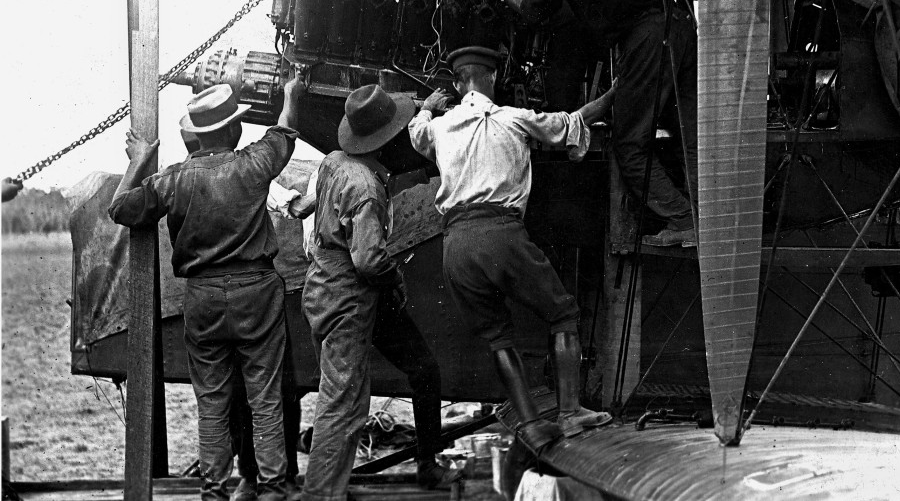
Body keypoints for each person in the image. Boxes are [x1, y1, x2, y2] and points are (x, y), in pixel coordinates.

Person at [408, 46, 615, 454]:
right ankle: (570, 413)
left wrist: (427, 107)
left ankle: (533, 425)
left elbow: (417, 132)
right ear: (494, 80)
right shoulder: (514, 118)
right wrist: (612, 96)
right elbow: (572, 122)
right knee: (562, 313)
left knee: (498, 337)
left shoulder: (440, 126)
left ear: (456, 83)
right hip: (501, 233)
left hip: (456, 246)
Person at [108, 76, 305, 501]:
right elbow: (285, 131)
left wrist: (140, 159)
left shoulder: (173, 179)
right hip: (258, 293)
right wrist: (290, 96)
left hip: (202, 299)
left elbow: (120, 208)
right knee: (265, 397)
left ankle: (215, 490)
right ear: (233, 129)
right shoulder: (254, 163)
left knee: (212, 402)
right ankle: (271, 488)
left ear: (193, 136)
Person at [489, 0, 698, 249]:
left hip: (646, 39)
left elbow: (537, 12)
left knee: (630, 145)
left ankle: (685, 220)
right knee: (691, 134)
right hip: (681, 25)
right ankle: (710, 217)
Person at [301, 85, 461, 499]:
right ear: (388, 139)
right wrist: (396, 280)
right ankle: (320, 496)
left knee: (420, 370)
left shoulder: (334, 163)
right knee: (343, 405)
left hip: (327, 292)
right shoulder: (366, 189)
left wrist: (424, 109)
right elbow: (369, 261)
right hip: (352, 298)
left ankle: (426, 465)